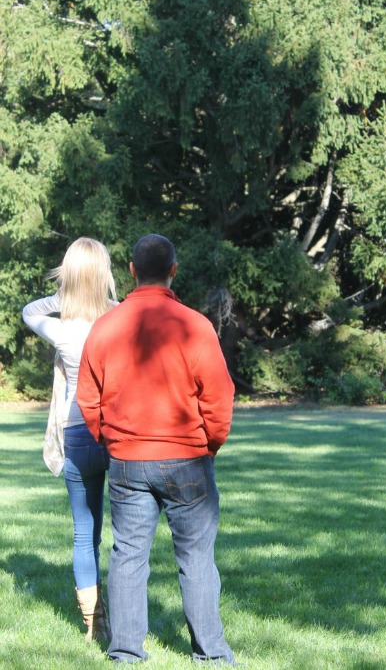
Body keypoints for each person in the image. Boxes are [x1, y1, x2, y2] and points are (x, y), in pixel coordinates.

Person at [77, 233, 236, 665]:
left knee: (128, 555)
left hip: (128, 460)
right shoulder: (195, 325)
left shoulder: (105, 327)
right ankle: (212, 654)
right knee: (196, 558)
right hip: (187, 458)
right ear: (173, 271)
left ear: (131, 271)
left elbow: (89, 399)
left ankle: (125, 651)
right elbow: (219, 400)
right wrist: (210, 446)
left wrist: (111, 441)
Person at [22, 237, 117, 643]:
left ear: (69, 277)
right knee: (128, 531)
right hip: (117, 434)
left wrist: (64, 294)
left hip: (78, 433)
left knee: (85, 532)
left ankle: (92, 622)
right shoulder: (118, 320)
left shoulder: (61, 329)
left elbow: (29, 310)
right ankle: (126, 614)